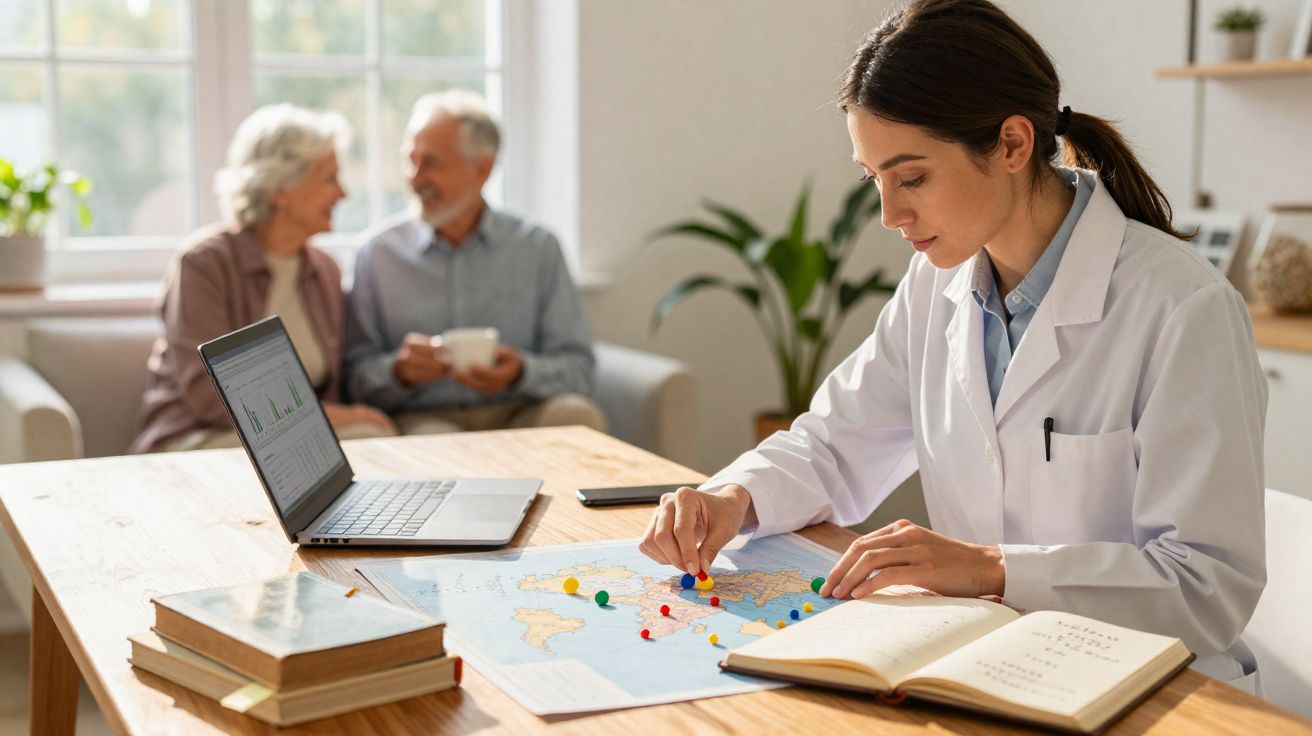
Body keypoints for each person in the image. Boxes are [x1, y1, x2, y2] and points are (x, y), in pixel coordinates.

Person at [639, 0, 1267, 691]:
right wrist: (734, 498)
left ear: (1012, 144)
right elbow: (835, 443)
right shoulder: (934, 286)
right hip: (991, 665)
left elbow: (1208, 585)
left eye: (912, 178)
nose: (889, 214)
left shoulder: (1184, 309)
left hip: (1156, 686)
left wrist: (992, 568)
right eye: (873, 180)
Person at [131, 104, 397, 453]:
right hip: (200, 438)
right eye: (329, 178)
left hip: (287, 442)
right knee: (367, 436)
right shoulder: (203, 263)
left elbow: (333, 382)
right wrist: (336, 417)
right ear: (281, 189)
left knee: (374, 442)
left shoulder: (324, 270)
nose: (343, 193)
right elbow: (212, 399)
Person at [344, 90, 607, 435]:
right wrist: (398, 372)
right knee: (436, 442)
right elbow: (354, 376)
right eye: (410, 159)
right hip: (426, 417)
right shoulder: (377, 254)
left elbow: (578, 368)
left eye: (432, 163)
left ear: (482, 169)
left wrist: (521, 372)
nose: (414, 177)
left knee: (577, 415)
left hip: (520, 411)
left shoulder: (537, 248)